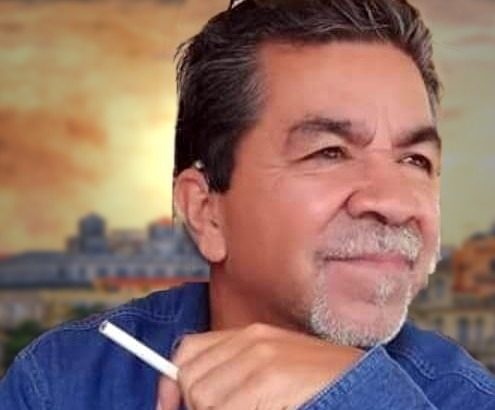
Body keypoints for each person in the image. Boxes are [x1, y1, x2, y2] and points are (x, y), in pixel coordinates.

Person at [1, 0, 495, 408]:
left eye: (414, 160)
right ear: (206, 212)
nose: (394, 202)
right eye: (329, 152)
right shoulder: (62, 383)